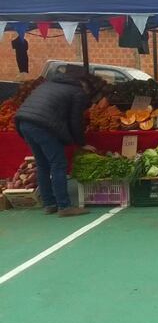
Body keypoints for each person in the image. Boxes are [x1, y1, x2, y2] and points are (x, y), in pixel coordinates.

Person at [15, 73, 104, 217]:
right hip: (42, 126)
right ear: (86, 88)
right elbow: (75, 120)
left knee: (43, 164)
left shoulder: (49, 84)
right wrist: (81, 143)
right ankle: (64, 206)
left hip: (23, 123)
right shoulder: (78, 92)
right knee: (58, 164)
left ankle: (49, 204)